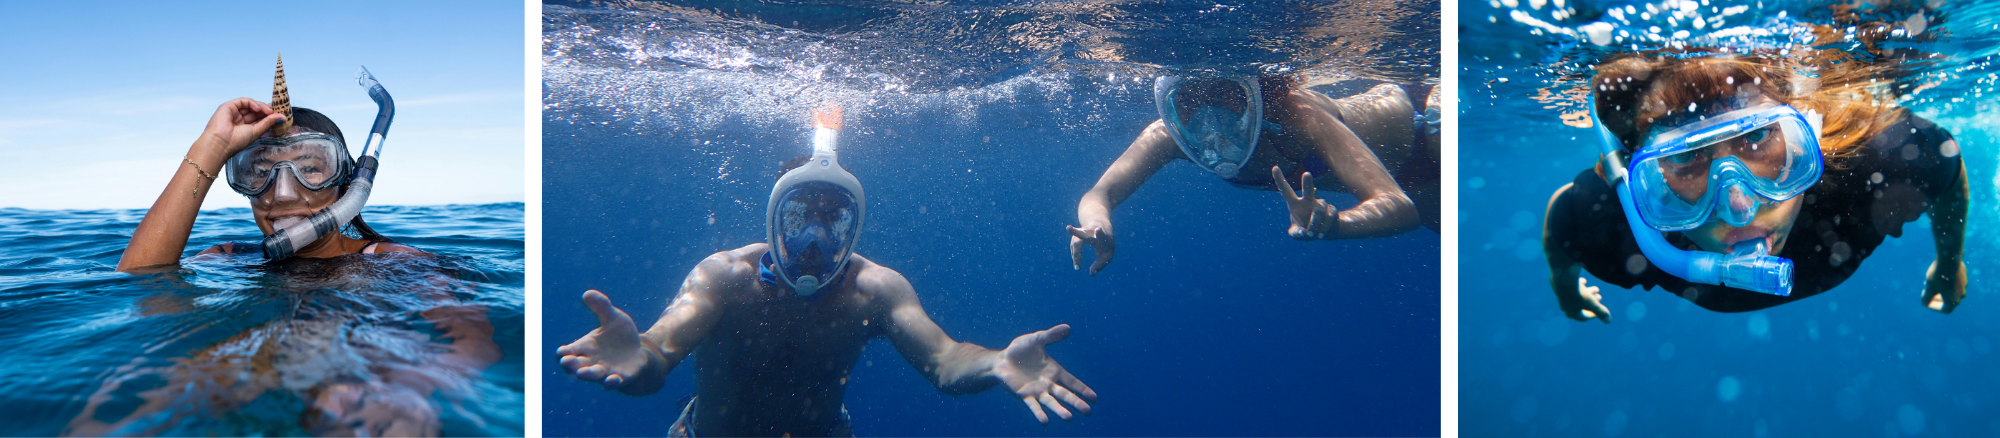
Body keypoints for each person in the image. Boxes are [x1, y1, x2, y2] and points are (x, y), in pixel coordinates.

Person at [557, 109, 1095, 437]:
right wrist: (638, 360)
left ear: (853, 227)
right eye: (797, 219)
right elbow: (657, 356)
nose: (814, 243)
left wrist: (997, 363)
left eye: (832, 221)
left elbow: (946, 360)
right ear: (772, 220)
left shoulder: (874, 291)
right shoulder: (724, 278)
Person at [77, 59, 499, 436]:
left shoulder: (390, 260)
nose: (280, 194)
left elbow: (472, 342)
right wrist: (210, 149)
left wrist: (410, 389)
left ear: (346, 184)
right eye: (257, 172)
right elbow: (139, 288)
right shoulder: (230, 258)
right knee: (118, 413)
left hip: (369, 373)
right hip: (255, 366)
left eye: (311, 169)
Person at [1542, 43, 1969, 321]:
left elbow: (1950, 173)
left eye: (1759, 137)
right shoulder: (1610, 224)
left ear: (1809, 137)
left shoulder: (1884, 161)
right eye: (1685, 158)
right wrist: (1563, 289)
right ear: (1640, 179)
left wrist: (1949, 263)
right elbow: (1561, 223)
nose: (1739, 205)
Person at [1067, 73, 1440, 275]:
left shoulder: (1298, 117)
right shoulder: (1168, 136)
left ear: (1256, 93)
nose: (1210, 121)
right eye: (1190, 104)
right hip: (1417, 185)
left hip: (1434, 127)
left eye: (1222, 95)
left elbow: (1396, 206)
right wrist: (1100, 226)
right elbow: (1100, 194)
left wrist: (1337, 224)